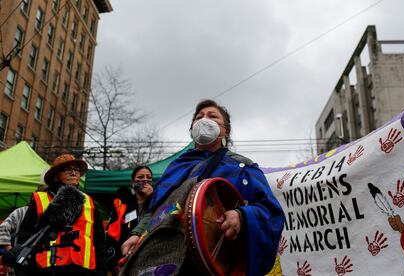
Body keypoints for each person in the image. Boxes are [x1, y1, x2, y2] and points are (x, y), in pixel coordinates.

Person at [121, 99, 285, 275]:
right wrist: (136, 234)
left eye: (212, 116)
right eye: (199, 117)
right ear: (192, 129)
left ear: (225, 131)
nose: (204, 120)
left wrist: (242, 217)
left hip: (208, 264)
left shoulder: (243, 167)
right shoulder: (176, 167)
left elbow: (271, 212)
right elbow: (155, 209)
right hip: (160, 258)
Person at [13, 154, 106, 276]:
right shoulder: (40, 198)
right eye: (67, 169)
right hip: (47, 269)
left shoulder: (89, 201)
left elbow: (99, 241)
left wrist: (101, 271)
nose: (73, 173)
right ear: (56, 176)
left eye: (77, 169)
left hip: (84, 269)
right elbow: (25, 236)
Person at [105, 166, 153, 272]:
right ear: (132, 183)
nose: (145, 180)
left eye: (149, 177)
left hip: (150, 257)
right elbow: (112, 232)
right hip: (124, 257)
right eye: (140, 177)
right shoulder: (122, 204)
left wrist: (151, 198)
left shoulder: (157, 201)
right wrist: (114, 261)